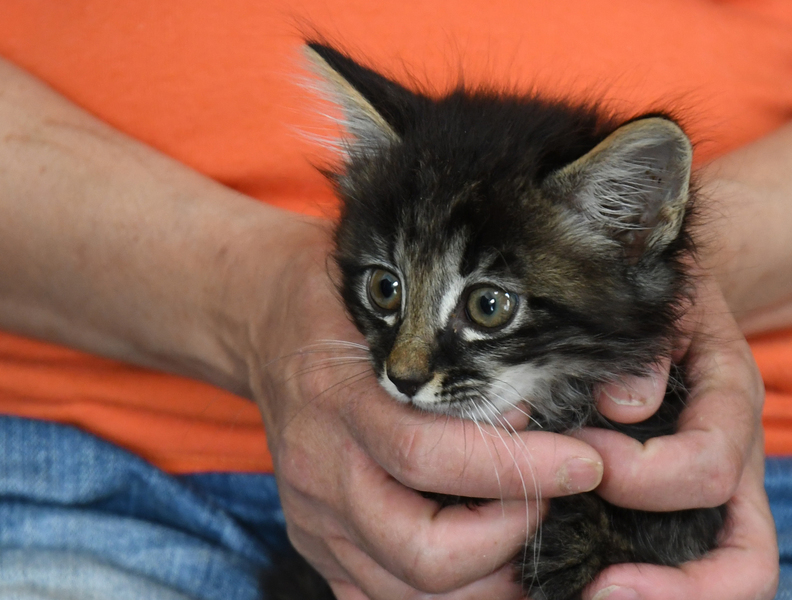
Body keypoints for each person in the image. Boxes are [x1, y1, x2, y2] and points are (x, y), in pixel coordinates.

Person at [0, 2, 788, 599]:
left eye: (486, 309)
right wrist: (250, 302)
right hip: (95, 485)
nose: (406, 366)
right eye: (386, 292)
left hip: (754, 483)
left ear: (631, 231)